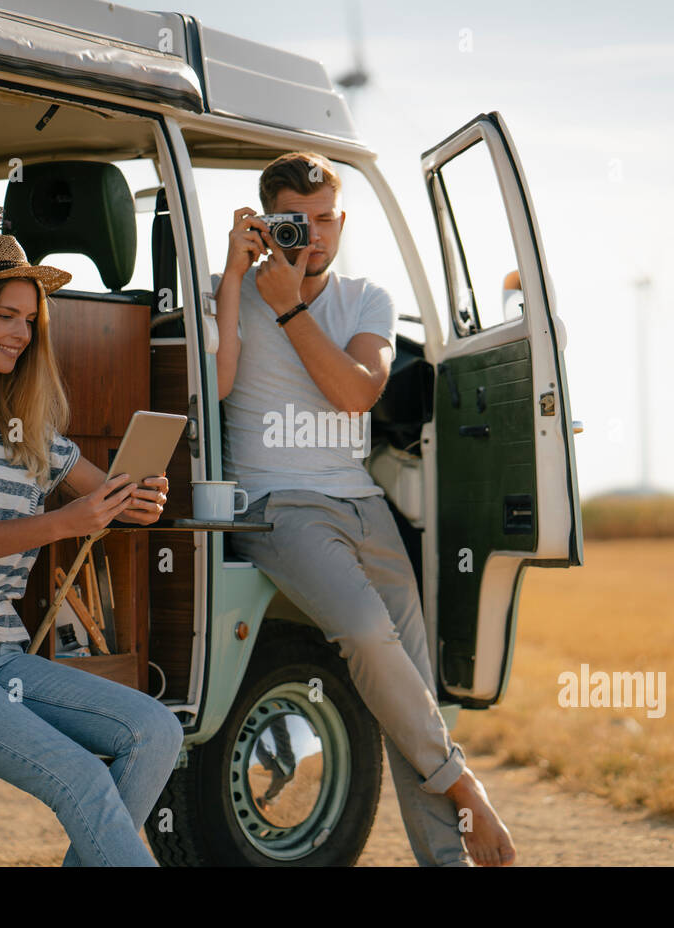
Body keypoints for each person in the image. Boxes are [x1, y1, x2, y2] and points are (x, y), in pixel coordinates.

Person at [214, 153, 517, 866]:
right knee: (366, 635)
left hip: (361, 501)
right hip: (277, 501)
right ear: (266, 220)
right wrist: (234, 279)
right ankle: (461, 782)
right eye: (295, 222)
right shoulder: (231, 290)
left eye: (324, 220)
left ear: (342, 220)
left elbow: (357, 392)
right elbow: (218, 383)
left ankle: (446, 858)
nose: (313, 236)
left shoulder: (366, 297)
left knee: (409, 678)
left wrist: (289, 307)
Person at [0, 231, 182, 866]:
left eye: (29, 320)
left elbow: (106, 495)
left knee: (157, 730)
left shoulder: (26, 427)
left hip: (1, 654)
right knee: (81, 776)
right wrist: (65, 522)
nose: (22, 334)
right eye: (6, 316)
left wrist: (135, 500)